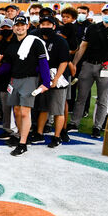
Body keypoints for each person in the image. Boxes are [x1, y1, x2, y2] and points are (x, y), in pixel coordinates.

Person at [0, 16, 51, 156]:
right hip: (14, 80)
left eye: (22, 25)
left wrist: (46, 83)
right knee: (16, 111)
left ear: (27, 26)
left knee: (24, 112)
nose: (20, 27)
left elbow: (43, 63)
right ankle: (21, 136)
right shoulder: (11, 45)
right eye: (17, 25)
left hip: (29, 79)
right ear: (13, 27)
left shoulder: (35, 42)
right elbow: (8, 66)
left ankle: (22, 143)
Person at [69, 3, 108, 138]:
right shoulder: (93, 28)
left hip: (106, 66)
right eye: (105, 13)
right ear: (102, 13)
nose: (107, 15)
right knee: (81, 96)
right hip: (88, 64)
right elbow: (83, 46)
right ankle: (74, 123)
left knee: (103, 98)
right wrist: (75, 63)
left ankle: (97, 126)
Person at [33, 16, 70, 148]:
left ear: (54, 26)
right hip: (44, 77)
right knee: (43, 108)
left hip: (58, 78)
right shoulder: (38, 40)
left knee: (58, 109)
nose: (45, 27)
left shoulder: (60, 41)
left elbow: (64, 61)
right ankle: (39, 133)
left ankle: (57, 136)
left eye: (48, 24)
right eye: (43, 24)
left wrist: (55, 79)